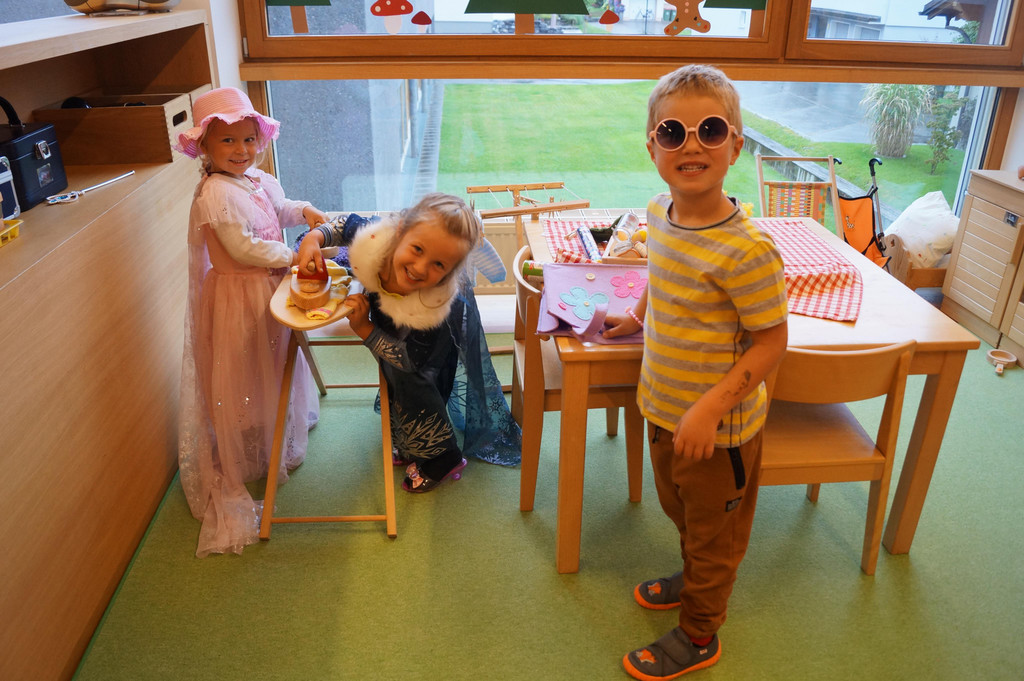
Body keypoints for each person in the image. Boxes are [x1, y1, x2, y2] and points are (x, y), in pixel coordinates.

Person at [603, 65, 789, 679]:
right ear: (652, 146)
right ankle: (693, 576)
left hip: (719, 430)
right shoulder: (659, 213)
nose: (691, 146)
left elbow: (771, 342)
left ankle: (700, 633)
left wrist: (710, 408)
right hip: (662, 409)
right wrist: (636, 315)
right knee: (683, 513)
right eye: (672, 132)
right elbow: (660, 275)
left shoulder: (747, 250)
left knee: (714, 535)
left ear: (735, 145)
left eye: (710, 130)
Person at [175, 87, 328, 557]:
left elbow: (278, 210)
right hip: (240, 292)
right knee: (246, 361)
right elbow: (243, 248)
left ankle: (274, 417)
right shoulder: (216, 194)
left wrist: (303, 210)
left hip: (268, 284)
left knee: (274, 353)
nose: (241, 150)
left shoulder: (255, 179)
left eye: (248, 139)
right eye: (228, 141)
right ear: (204, 147)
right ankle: (251, 428)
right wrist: (293, 255)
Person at [297, 193, 521, 493]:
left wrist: (365, 329)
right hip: (390, 324)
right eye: (417, 249)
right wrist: (314, 238)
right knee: (395, 385)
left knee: (417, 393)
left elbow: (409, 362)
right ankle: (409, 444)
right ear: (400, 231)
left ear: (450, 272)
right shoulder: (376, 239)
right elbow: (345, 224)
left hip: (421, 347)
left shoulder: (432, 308)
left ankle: (444, 458)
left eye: (438, 264)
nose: (419, 268)